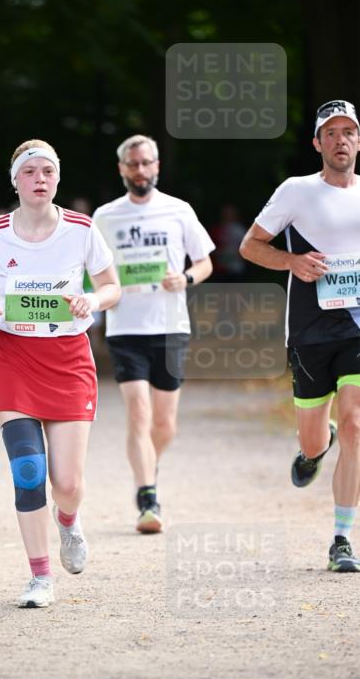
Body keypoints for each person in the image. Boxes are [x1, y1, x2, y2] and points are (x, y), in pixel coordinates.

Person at [0, 139, 120, 608]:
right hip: (15, 360)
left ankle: (68, 520)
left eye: (48, 171)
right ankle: (40, 577)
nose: (40, 179)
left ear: (58, 178)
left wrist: (92, 300)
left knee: (66, 484)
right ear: (16, 181)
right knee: (29, 471)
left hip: (68, 360)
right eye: (30, 172)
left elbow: (111, 287)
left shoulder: (81, 229)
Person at [240, 99, 360, 573]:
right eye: (330, 133)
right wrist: (292, 262)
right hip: (310, 331)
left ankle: (342, 538)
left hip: (356, 328)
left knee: (355, 425)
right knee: (314, 441)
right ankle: (315, 447)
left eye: (348, 132)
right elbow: (250, 246)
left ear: (359, 140)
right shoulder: (296, 191)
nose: (340, 140)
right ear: (317, 143)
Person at [93, 134, 214, 534]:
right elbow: (91, 269)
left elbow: (204, 262)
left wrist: (186, 278)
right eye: (133, 164)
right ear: (121, 169)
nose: (140, 170)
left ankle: (149, 464)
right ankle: (147, 497)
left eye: (146, 163)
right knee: (139, 413)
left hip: (170, 326)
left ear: (156, 166)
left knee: (164, 425)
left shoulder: (178, 210)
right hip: (125, 327)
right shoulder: (105, 217)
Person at [209, 204, 248, 282]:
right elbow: (210, 248)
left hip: (237, 268)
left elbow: (247, 249)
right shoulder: (217, 229)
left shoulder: (240, 230)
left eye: (230, 213)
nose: (227, 215)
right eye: (226, 213)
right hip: (219, 269)